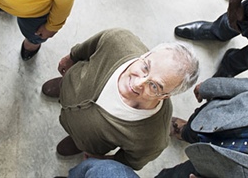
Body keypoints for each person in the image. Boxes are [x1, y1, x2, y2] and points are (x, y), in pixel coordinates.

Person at [41, 28, 199, 170]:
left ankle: (77, 142)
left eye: (154, 86)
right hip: (71, 84)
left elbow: (129, 162)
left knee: (83, 140)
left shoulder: (152, 138)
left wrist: (104, 160)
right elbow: (89, 47)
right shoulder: (118, 40)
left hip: (85, 140)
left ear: (165, 96)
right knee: (66, 85)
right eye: (145, 67)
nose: (137, 84)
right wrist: (71, 58)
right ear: (145, 55)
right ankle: (63, 87)